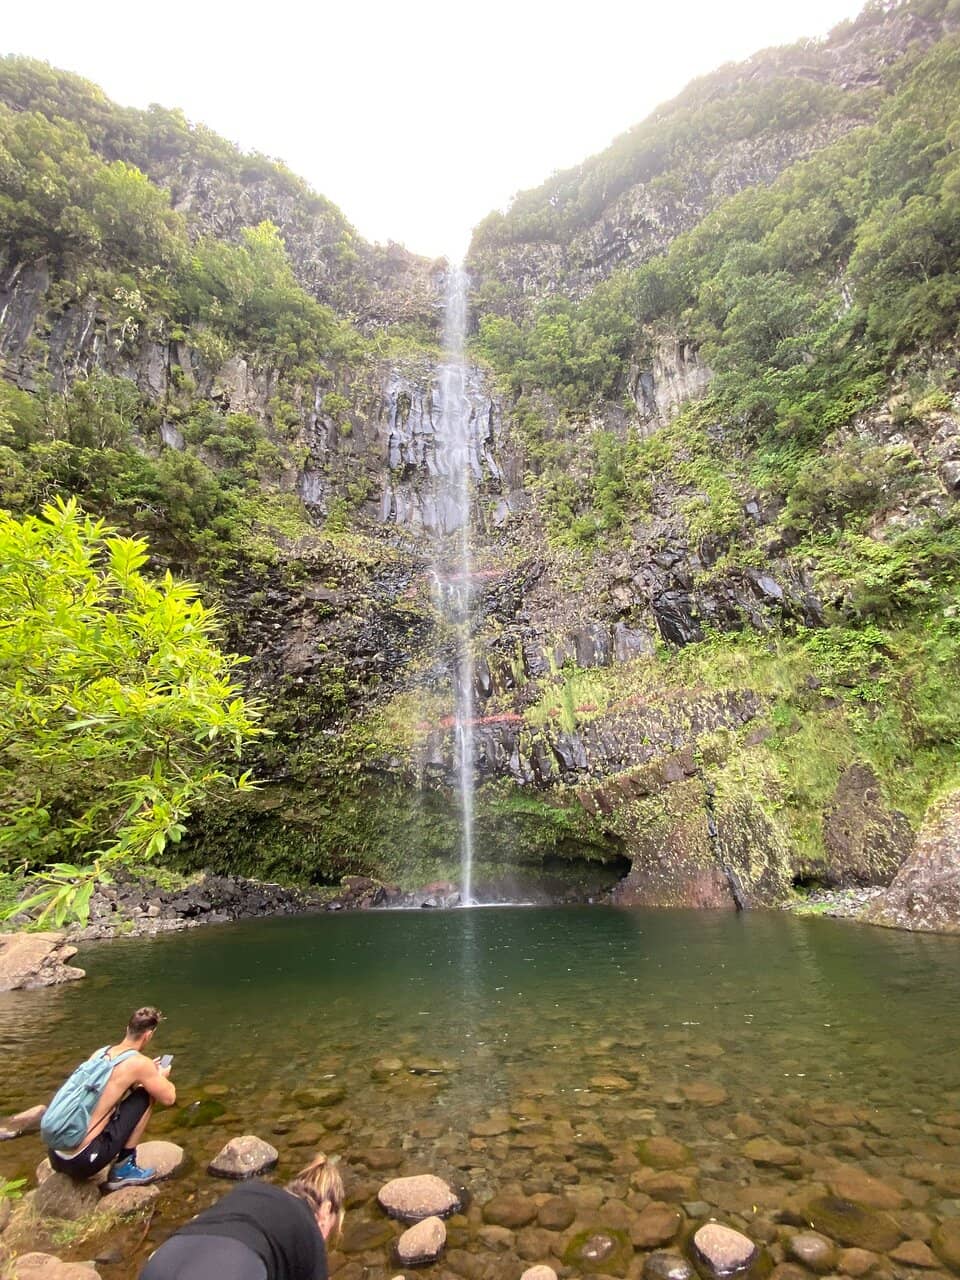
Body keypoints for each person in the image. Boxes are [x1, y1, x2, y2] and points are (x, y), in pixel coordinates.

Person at [139, 1153, 344, 1280]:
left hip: (162, 1262)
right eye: (329, 1229)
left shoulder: (250, 1192)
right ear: (325, 1211)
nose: (324, 1237)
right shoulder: (309, 1227)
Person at [47, 1005, 176, 1189]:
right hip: (82, 1161)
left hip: (56, 1156)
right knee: (147, 1094)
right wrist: (160, 1076)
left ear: (127, 1029)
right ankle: (124, 1168)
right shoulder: (140, 1063)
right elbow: (169, 1098)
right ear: (148, 1035)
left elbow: (109, 1090)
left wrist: (144, 1076)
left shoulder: (100, 1054)